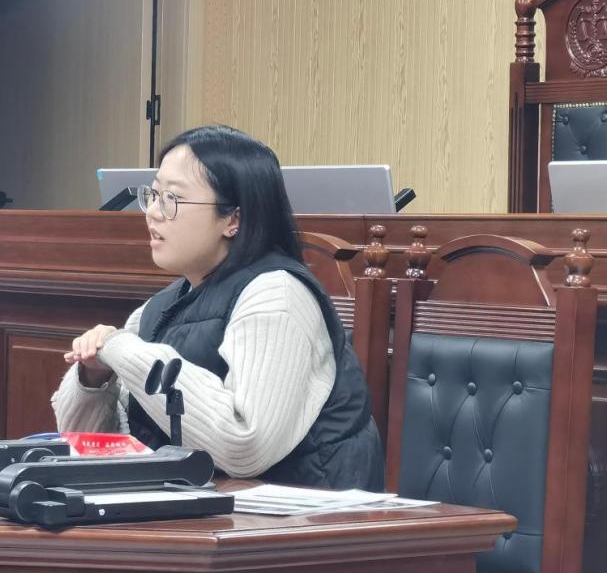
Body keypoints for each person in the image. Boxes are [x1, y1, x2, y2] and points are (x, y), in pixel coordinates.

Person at [51, 125, 384, 490]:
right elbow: (89, 447)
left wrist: (123, 350)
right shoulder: (157, 309)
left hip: (308, 517)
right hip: (198, 511)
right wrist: (94, 377)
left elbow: (246, 445)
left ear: (233, 219)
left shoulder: (277, 297)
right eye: (154, 194)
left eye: (172, 198)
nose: (153, 214)